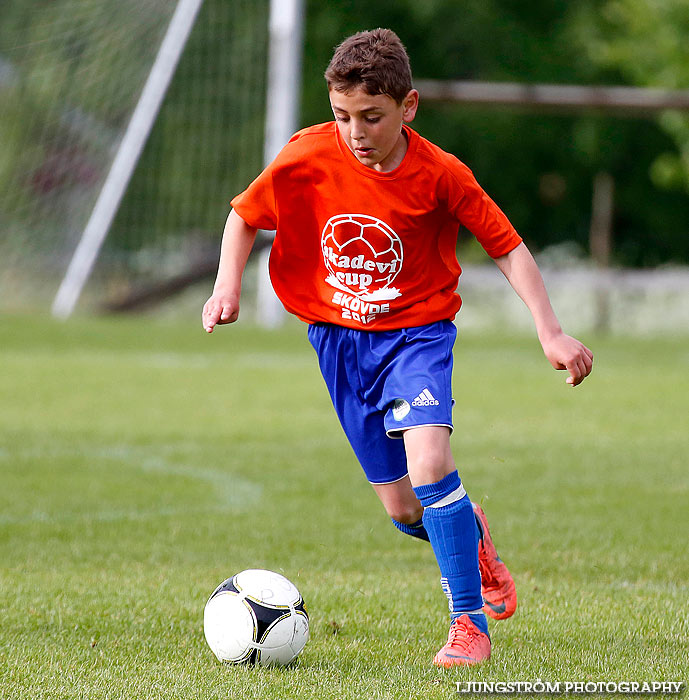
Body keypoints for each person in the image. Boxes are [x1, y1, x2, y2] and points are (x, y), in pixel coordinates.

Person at [202, 28, 593, 667]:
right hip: (337, 341)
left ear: (407, 107)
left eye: (372, 117)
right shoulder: (307, 154)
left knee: (432, 462)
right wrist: (227, 288)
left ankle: (468, 628)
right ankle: (475, 540)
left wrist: (550, 331)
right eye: (342, 115)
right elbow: (245, 213)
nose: (356, 131)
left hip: (416, 336)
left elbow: (506, 245)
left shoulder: (440, 173)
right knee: (406, 507)